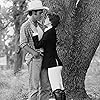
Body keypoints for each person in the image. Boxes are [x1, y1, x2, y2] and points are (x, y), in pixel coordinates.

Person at [20, 0, 51, 100]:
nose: (42, 15)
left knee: (46, 86)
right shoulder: (25, 26)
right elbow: (23, 43)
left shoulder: (41, 26)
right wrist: (35, 53)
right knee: (34, 87)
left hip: (44, 58)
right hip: (34, 59)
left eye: (42, 12)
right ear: (33, 13)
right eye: (40, 13)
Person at [32, 13, 66, 100]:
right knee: (60, 88)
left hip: (52, 63)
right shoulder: (50, 31)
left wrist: (35, 33)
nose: (45, 19)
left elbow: (38, 45)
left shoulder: (48, 32)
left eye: (47, 18)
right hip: (55, 62)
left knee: (56, 89)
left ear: (50, 22)